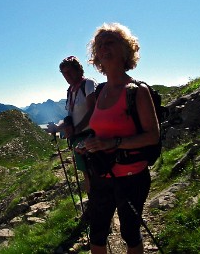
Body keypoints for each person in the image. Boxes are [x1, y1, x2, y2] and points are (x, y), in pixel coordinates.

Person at [74, 23, 158, 254]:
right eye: (99, 45)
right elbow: (96, 129)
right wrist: (87, 145)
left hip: (132, 176)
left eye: (110, 42)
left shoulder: (136, 91)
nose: (103, 48)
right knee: (97, 232)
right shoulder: (99, 92)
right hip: (101, 173)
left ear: (126, 49)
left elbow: (152, 136)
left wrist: (113, 144)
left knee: (130, 233)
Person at [59, 56, 97, 193]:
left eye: (69, 72)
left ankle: (100, 204)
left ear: (78, 69)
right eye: (63, 73)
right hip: (78, 138)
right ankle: (93, 205)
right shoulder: (70, 91)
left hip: (90, 135)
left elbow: (93, 110)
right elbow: (70, 115)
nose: (66, 76)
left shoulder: (88, 84)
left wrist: (76, 129)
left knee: (95, 171)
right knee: (86, 173)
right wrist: (58, 128)